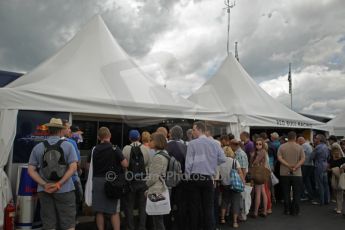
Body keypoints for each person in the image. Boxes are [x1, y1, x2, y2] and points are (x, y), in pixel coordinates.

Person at [28, 118, 78, 230]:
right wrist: (59, 184)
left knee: (48, 222)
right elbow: (73, 167)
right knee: (68, 223)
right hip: (65, 189)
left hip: (44, 190)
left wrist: (44, 184)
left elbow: (31, 170)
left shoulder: (38, 147)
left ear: (48, 130)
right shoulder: (68, 145)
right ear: (60, 130)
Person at [185, 121, 226, 230]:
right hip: (208, 178)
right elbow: (223, 159)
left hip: (195, 177)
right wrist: (212, 163)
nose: (192, 132)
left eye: (193, 130)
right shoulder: (214, 143)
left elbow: (188, 163)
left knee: (194, 207)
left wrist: (187, 177)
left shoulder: (192, 144)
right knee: (208, 208)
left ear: (199, 129)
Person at [92, 127, 128, 230]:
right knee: (113, 211)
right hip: (112, 182)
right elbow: (125, 164)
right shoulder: (115, 148)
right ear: (110, 136)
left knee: (99, 210)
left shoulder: (94, 149)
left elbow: (88, 166)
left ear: (99, 137)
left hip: (97, 181)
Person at [123, 130, 150, 230]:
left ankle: (130, 227)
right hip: (143, 180)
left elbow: (123, 165)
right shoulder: (146, 149)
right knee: (142, 206)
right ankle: (142, 227)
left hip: (130, 180)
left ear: (129, 138)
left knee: (129, 206)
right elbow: (148, 164)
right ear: (139, 138)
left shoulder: (126, 149)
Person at [146, 132, 170, 230]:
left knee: (157, 219)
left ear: (156, 142)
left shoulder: (158, 157)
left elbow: (153, 177)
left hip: (156, 190)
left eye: (151, 140)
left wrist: (146, 185)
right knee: (158, 218)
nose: (149, 142)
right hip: (160, 188)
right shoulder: (164, 154)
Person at [277, 131, 305, 216]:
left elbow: (279, 157)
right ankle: (295, 210)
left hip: (284, 172)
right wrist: (296, 166)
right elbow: (303, 159)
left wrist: (288, 165)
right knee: (297, 192)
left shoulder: (281, 146)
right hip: (297, 173)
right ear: (295, 137)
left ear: (287, 138)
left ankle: (287, 210)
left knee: (286, 192)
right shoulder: (299, 147)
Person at [166, 125, 187, 230]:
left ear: (171, 134)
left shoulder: (166, 146)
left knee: (167, 202)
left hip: (167, 179)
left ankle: (168, 225)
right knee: (180, 204)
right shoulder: (185, 146)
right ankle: (180, 225)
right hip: (182, 179)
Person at [62, 120, 83, 218]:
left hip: (52, 181)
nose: (69, 130)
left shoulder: (45, 143)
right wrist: (79, 170)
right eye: (68, 128)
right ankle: (74, 220)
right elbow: (76, 161)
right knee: (77, 199)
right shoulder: (71, 142)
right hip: (71, 179)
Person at [219, 147, 245, 228]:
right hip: (234, 184)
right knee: (235, 202)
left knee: (225, 200)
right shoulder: (234, 161)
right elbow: (240, 173)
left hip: (224, 184)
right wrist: (243, 181)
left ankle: (222, 219)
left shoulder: (220, 162)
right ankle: (234, 222)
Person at [251, 138, 269, 218]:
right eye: (257, 144)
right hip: (262, 173)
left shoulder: (261, 152)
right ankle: (264, 211)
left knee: (258, 192)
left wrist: (252, 156)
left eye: (260, 144)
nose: (258, 145)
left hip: (258, 173)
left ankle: (255, 212)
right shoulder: (262, 152)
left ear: (263, 145)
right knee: (263, 192)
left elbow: (254, 162)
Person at [311, 134, 330, 205]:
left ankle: (321, 201)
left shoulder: (317, 147)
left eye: (315, 138)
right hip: (325, 165)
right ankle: (327, 200)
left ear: (319, 140)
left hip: (318, 166)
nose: (314, 140)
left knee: (320, 184)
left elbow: (311, 157)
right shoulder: (326, 147)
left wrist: (313, 150)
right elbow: (328, 157)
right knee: (326, 184)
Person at [329, 143, 345, 214]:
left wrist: (343, 168)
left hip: (341, 176)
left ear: (339, 150)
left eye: (337, 149)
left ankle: (339, 208)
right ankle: (338, 206)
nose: (336, 151)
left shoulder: (343, 159)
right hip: (333, 176)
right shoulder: (331, 159)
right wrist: (331, 169)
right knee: (334, 191)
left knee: (340, 192)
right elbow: (328, 167)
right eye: (334, 150)